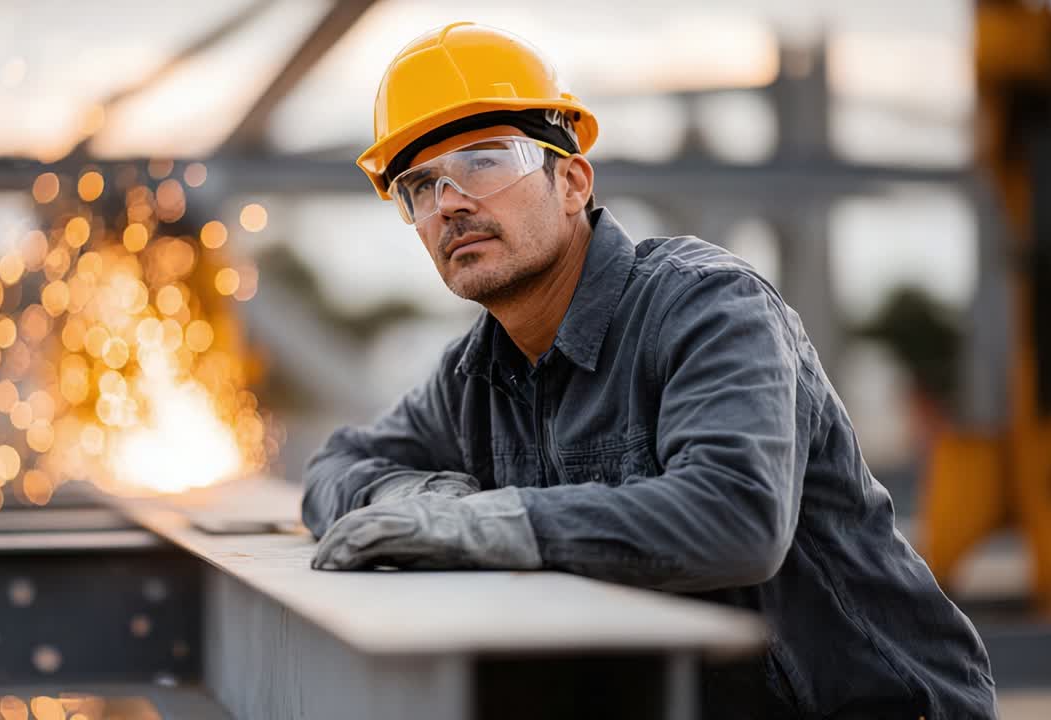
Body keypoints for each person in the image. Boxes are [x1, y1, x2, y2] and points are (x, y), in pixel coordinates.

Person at [301, 21, 997, 719]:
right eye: (420, 185)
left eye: (486, 159)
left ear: (572, 181)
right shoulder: (477, 375)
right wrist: (423, 502)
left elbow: (736, 518)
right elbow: (336, 466)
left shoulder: (706, 308)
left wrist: (484, 525)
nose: (450, 201)